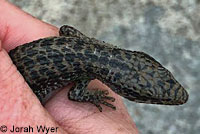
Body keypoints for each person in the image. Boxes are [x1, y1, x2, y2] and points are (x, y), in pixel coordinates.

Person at [0, 0, 138, 133]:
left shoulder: (84, 48)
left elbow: (65, 29)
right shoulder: (88, 71)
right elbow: (75, 94)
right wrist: (95, 97)